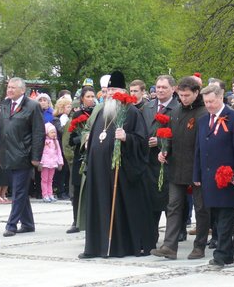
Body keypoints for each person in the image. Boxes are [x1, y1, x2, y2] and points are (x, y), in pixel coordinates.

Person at [78, 71, 155, 258]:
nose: (109, 94)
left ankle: (117, 246)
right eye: (107, 90)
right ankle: (96, 246)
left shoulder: (131, 112)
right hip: (99, 172)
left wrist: (127, 137)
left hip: (120, 174)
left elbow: (142, 142)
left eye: (113, 90)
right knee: (99, 206)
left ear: (122, 91)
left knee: (117, 208)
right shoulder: (101, 112)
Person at [151, 77, 210, 260]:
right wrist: (164, 151)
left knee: (201, 208)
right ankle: (169, 246)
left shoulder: (203, 112)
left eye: (187, 95)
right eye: (181, 95)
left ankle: (199, 246)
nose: (183, 99)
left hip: (197, 167)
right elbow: (169, 136)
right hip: (176, 166)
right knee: (174, 206)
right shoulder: (175, 111)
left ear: (196, 93)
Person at [191, 84, 234, 267]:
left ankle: (222, 254)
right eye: (205, 101)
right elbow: (199, 150)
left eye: (211, 101)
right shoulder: (202, 120)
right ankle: (225, 252)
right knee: (215, 218)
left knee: (225, 217)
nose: (208, 105)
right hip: (209, 177)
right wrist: (197, 174)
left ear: (220, 98)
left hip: (227, 178)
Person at [0, 77, 44, 237]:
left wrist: (36, 156)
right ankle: (28, 223)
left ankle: (11, 225)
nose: (9, 90)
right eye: (8, 87)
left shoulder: (32, 106)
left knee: (18, 191)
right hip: (8, 154)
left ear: (22, 90)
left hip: (24, 155)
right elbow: (1, 131)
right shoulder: (5, 104)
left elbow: (38, 133)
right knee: (20, 190)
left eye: (13, 88)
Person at [141, 75, 180, 243]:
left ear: (173, 89)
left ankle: (171, 239)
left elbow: (180, 136)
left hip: (168, 162)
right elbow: (141, 130)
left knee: (169, 204)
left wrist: (162, 142)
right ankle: (151, 236)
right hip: (149, 162)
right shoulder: (148, 107)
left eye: (164, 87)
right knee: (150, 202)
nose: (160, 90)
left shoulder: (177, 107)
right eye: (158, 87)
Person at [66, 86, 95, 234]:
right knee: (77, 189)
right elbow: (71, 140)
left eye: (92, 96)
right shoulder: (77, 114)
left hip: (95, 155)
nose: (91, 99)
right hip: (80, 156)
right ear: (82, 98)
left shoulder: (98, 112)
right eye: (88, 96)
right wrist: (83, 138)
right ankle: (76, 220)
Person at [40, 123, 63, 202]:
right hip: (45, 163)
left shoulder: (56, 142)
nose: (54, 134)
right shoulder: (44, 142)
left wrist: (60, 162)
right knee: (44, 179)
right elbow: (41, 153)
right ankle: (45, 194)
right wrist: (41, 162)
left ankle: (50, 194)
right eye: (52, 132)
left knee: (50, 180)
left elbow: (59, 152)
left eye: (54, 132)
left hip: (53, 163)